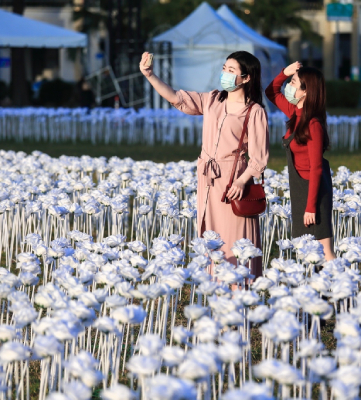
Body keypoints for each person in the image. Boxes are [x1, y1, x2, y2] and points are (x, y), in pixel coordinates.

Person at [139, 50, 269, 278]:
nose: (225, 74)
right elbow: (177, 98)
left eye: (231, 70)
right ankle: (214, 286)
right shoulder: (213, 99)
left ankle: (238, 287)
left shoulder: (254, 111)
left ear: (246, 77)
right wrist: (150, 75)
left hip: (232, 180)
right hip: (207, 177)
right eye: (224, 68)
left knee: (233, 236)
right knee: (209, 233)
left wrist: (241, 181)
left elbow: (259, 158)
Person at [265, 62, 336, 262]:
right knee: (306, 248)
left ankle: (343, 288)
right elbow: (270, 92)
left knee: (324, 250)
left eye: (293, 82)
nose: (288, 85)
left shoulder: (313, 124)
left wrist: (311, 207)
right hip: (299, 189)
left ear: (305, 92)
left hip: (313, 191)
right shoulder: (295, 113)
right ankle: (318, 290)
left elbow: (316, 168)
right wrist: (284, 72)